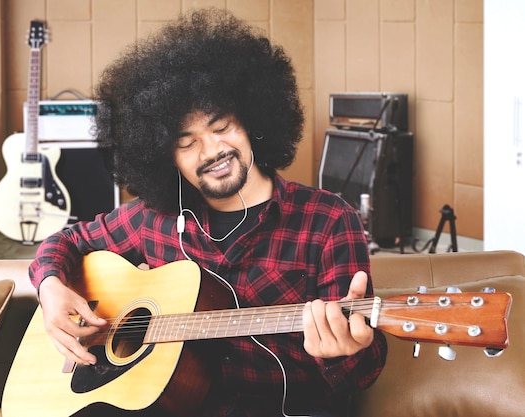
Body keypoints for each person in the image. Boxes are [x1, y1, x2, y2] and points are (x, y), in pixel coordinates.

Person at [29, 8, 387, 417]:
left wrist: (347, 351)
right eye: (187, 142)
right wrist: (52, 289)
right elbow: (65, 241)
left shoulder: (327, 221)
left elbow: (363, 373)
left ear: (253, 123)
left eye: (222, 127)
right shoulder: (153, 220)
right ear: (164, 157)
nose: (212, 151)